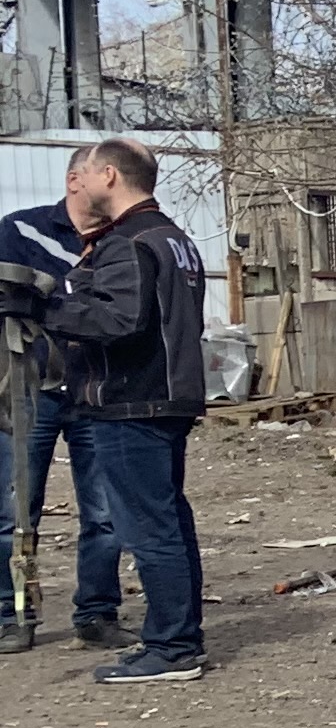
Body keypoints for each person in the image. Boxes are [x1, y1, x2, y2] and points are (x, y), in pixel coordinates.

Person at [37, 138, 208, 686]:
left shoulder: (128, 241)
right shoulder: (173, 238)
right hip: (166, 397)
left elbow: (118, 321)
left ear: (109, 175)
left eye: (83, 173)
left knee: (150, 529)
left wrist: (43, 308)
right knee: (169, 523)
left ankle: (173, 648)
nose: (76, 184)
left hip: (132, 401)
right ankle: (176, 638)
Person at [0, 186, 82, 649]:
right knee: (16, 510)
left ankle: (98, 611)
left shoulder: (122, 237)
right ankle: (14, 612)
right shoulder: (20, 230)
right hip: (31, 387)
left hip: (96, 389)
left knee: (105, 511)